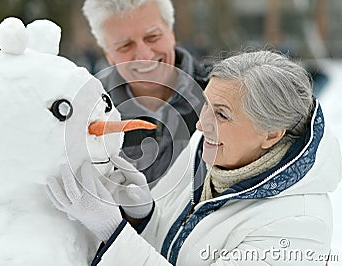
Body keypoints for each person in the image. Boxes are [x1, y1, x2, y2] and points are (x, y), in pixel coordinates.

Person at [47, 50, 342, 265]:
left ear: (271, 134)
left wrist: (113, 232)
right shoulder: (209, 150)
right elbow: (172, 251)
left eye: (223, 114)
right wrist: (144, 217)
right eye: (206, 106)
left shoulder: (299, 226)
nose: (201, 125)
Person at [82, 0, 210, 185]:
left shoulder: (222, 93)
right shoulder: (89, 111)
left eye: (153, 37)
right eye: (125, 46)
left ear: (171, 33)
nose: (144, 55)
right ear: (108, 54)